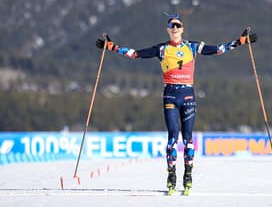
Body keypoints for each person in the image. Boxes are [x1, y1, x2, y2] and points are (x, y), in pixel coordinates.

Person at [96, 13, 257, 194]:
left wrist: (239, 42)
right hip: (170, 95)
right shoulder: (161, 49)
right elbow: (135, 54)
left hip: (188, 95)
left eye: (177, 26)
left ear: (182, 29)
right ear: (167, 29)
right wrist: (112, 47)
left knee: (187, 139)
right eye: (172, 25)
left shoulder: (192, 46)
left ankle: (187, 176)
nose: (174, 28)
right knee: (172, 138)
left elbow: (218, 49)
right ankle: (171, 176)